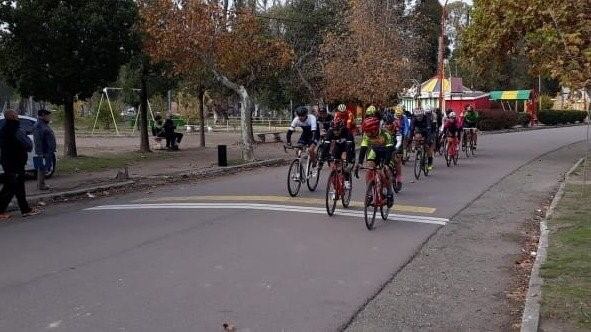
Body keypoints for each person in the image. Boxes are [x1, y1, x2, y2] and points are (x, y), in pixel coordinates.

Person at [0, 110, 39, 219]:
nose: (17, 116)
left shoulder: (5, 129)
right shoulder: (15, 129)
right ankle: (20, 209)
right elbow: (27, 144)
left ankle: (25, 209)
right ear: (12, 116)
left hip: (9, 162)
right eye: (16, 114)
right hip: (15, 162)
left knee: (17, 188)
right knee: (11, 188)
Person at [355, 117, 394, 207]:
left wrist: (386, 164)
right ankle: (370, 193)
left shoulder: (386, 134)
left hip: (386, 152)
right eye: (365, 131)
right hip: (375, 151)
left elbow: (389, 150)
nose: (366, 134)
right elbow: (363, 148)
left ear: (375, 130)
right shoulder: (366, 135)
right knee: (369, 169)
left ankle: (389, 192)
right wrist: (360, 163)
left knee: (385, 172)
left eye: (368, 132)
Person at [325, 117, 355, 189]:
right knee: (334, 166)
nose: (336, 132)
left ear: (342, 128)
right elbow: (326, 146)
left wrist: (348, 160)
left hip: (347, 147)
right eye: (334, 130)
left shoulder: (348, 132)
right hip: (338, 147)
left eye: (338, 130)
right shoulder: (330, 131)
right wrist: (324, 158)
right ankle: (335, 187)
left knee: (345, 161)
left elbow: (348, 148)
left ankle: (347, 180)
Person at [33, 109, 56, 191]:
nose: (49, 117)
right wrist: (40, 153)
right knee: (41, 168)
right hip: (44, 150)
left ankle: (42, 184)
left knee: (44, 168)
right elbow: (38, 140)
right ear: (43, 115)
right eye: (48, 115)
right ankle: (41, 185)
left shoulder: (43, 124)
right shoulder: (39, 125)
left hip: (47, 150)